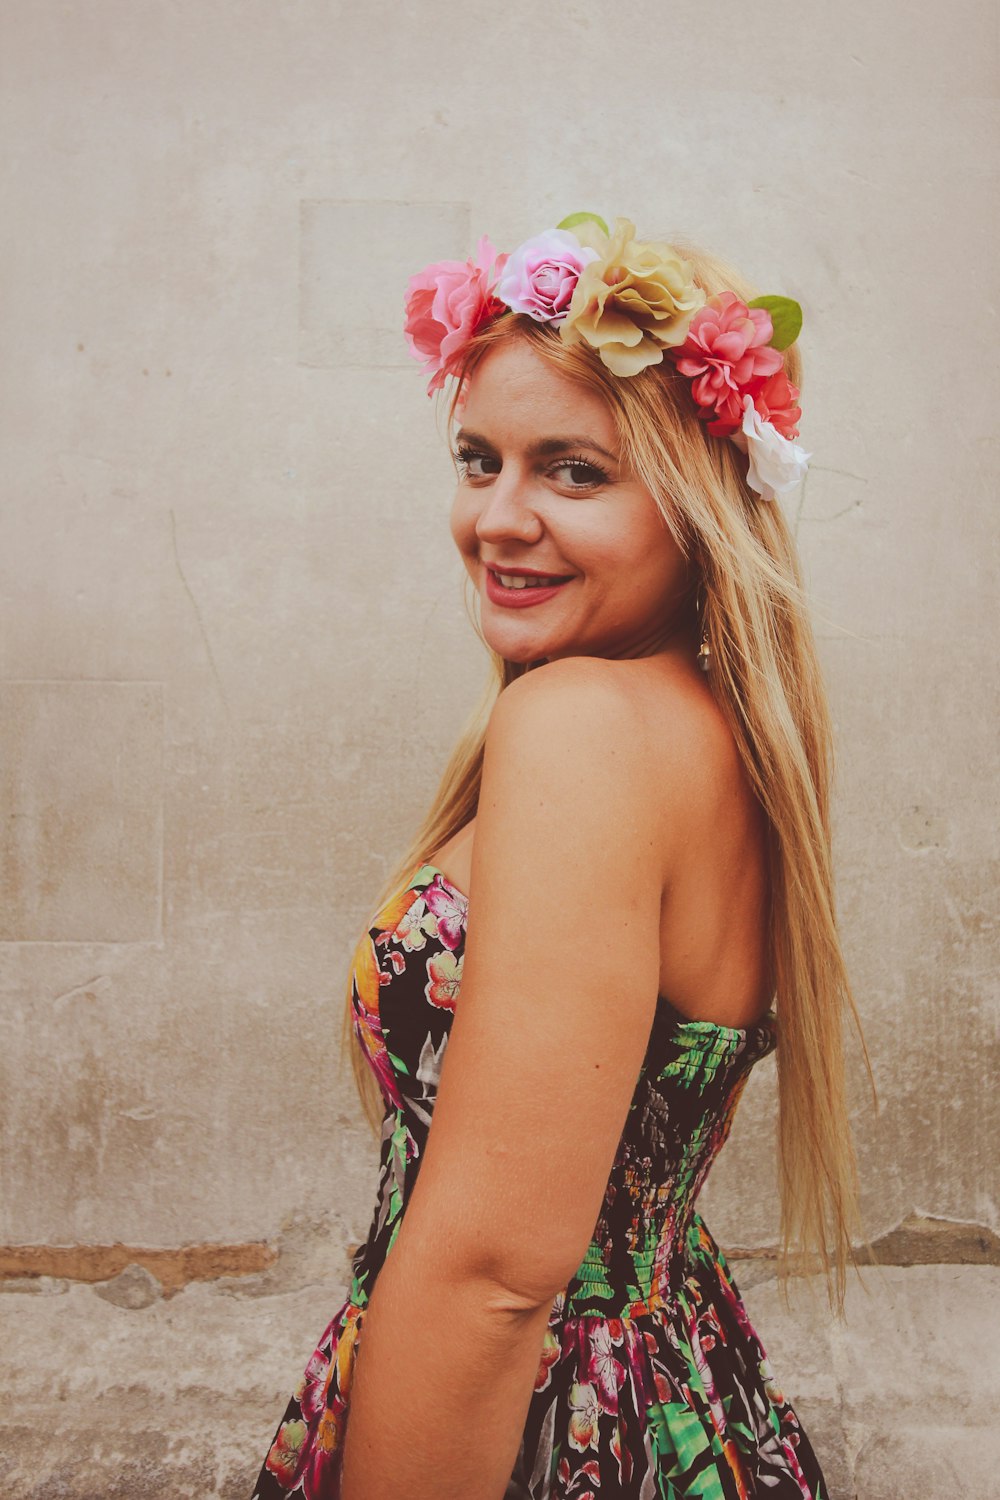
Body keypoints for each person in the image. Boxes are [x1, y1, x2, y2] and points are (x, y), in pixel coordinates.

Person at [251, 214, 871, 1499]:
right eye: (479, 461)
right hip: (679, 1385)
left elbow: (491, 1280)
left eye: (573, 472)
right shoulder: (712, 737)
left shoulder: (580, 730)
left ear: (699, 502)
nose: (499, 518)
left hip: (548, 1433)